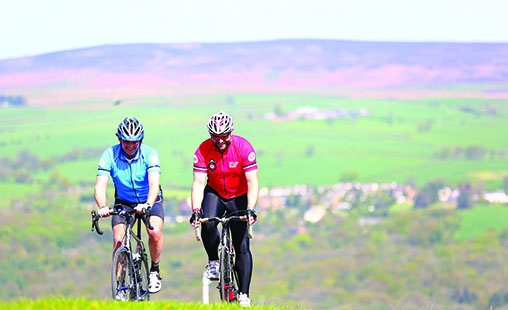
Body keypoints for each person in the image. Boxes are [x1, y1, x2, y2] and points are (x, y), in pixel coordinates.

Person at [189, 111, 259, 307]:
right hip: (216, 192)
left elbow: (252, 182)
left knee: (242, 246)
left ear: (232, 132)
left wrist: (250, 208)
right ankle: (213, 261)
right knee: (208, 222)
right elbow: (198, 182)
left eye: (224, 136)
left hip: (239, 195)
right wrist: (196, 210)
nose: (219, 141)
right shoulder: (203, 150)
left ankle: (244, 294)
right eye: (215, 137)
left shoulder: (243, 147)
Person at [94, 117, 164, 297]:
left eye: (134, 142)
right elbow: (100, 186)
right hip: (124, 202)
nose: (130, 145)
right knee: (119, 240)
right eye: (126, 141)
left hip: (150, 199)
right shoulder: (109, 154)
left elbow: (154, 184)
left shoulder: (150, 154)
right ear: (119, 139)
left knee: (154, 232)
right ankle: (119, 286)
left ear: (140, 140)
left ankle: (155, 271)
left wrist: (148, 204)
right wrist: (102, 206)